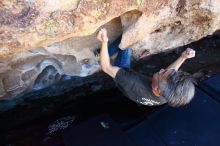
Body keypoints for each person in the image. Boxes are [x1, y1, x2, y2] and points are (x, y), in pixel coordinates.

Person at [97, 28, 196, 107]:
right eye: (166, 71)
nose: (161, 70)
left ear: (157, 89)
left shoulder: (130, 81)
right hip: (131, 83)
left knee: (127, 43)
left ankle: (99, 54)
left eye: (161, 74)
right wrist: (183, 57)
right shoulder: (168, 95)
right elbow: (170, 73)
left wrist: (104, 42)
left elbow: (106, 67)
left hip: (123, 76)